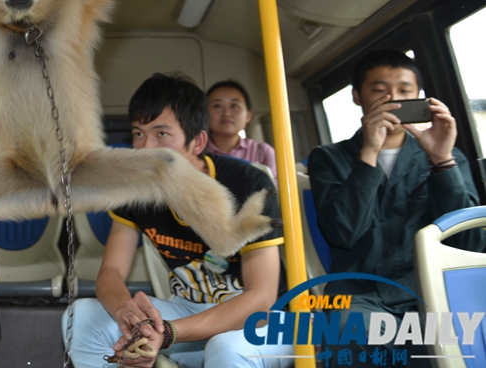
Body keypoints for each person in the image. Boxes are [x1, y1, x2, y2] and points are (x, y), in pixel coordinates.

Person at [66, 72, 290, 367]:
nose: (145, 149)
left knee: (225, 349)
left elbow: (261, 298)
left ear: (197, 142)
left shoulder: (249, 184)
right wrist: (129, 316)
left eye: (161, 134)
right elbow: (110, 273)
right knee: (81, 314)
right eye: (138, 133)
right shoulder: (135, 190)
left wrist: (169, 333)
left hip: (268, 319)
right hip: (189, 309)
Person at [308, 49, 485, 362]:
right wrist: (369, 153)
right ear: (357, 97)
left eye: (405, 91)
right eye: (380, 90)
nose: (393, 99)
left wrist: (441, 160)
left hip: (431, 292)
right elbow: (342, 234)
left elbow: (469, 244)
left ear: (419, 97)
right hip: (360, 295)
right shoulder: (328, 158)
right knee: (354, 337)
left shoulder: (445, 155)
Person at [206, 80, 277, 181]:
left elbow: (276, 192)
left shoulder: (263, 152)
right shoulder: (194, 151)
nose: (227, 113)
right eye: (217, 106)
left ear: (248, 116)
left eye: (234, 106)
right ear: (204, 114)